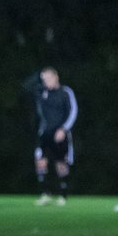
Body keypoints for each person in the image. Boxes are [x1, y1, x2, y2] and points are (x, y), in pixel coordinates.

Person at [31, 67, 78, 206]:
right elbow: (26, 86)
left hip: (60, 133)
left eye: (48, 78)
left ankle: (63, 195)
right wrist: (38, 76)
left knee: (60, 163)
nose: (46, 81)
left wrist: (64, 129)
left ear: (56, 76)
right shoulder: (42, 93)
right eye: (44, 79)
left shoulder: (65, 92)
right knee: (40, 160)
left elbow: (73, 111)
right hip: (45, 133)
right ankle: (45, 194)